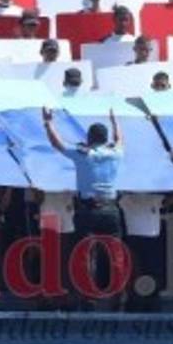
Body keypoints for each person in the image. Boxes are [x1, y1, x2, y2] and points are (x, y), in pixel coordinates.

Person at [42, 105, 125, 305]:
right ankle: (117, 295)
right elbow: (120, 139)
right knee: (114, 254)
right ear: (105, 139)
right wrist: (115, 121)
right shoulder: (116, 153)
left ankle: (88, 296)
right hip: (111, 208)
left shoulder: (83, 153)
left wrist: (48, 123)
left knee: (85, 253)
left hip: (88, 209)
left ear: (89, 138)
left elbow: (58, 144)